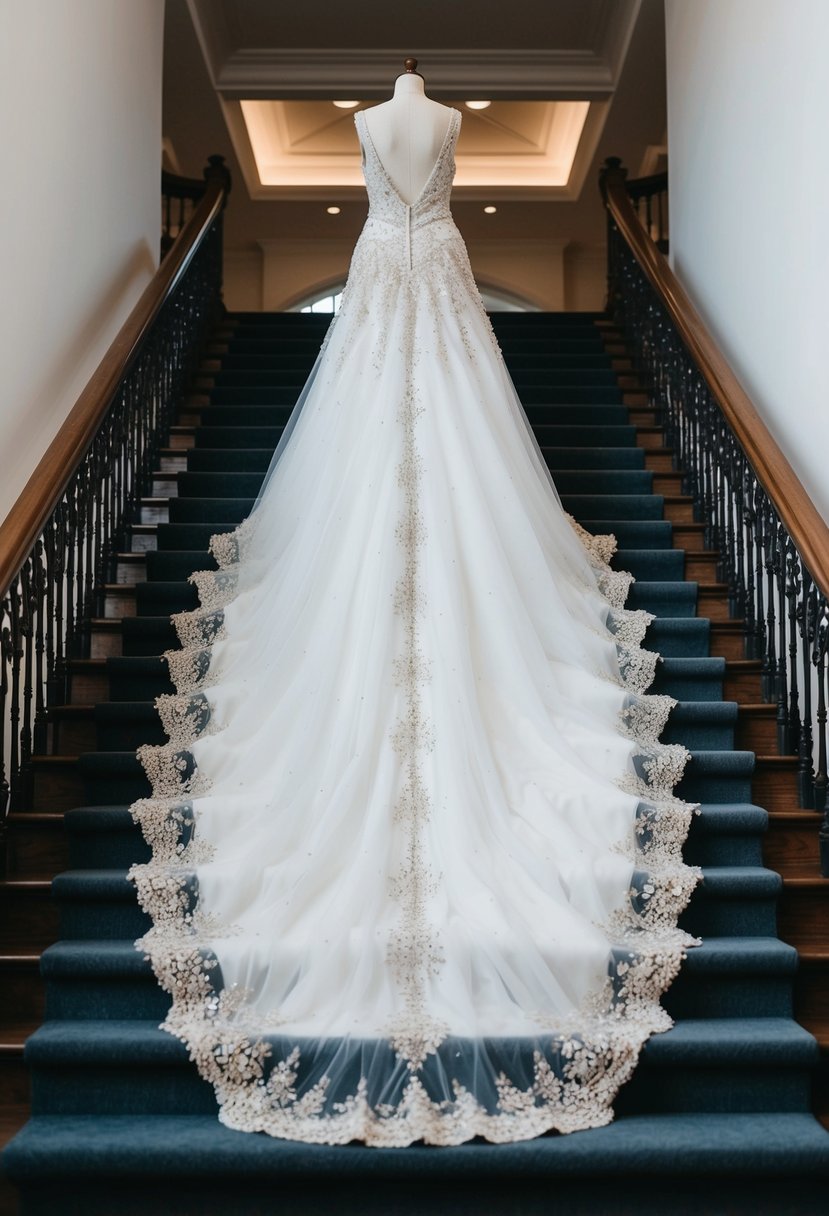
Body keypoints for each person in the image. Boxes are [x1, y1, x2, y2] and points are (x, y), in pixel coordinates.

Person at [127, 65, 700, 1148]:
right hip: (423, 266)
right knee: (390, 456)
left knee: (445, 452)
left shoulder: (384, 122)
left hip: (405, 264)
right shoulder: (433, 123)